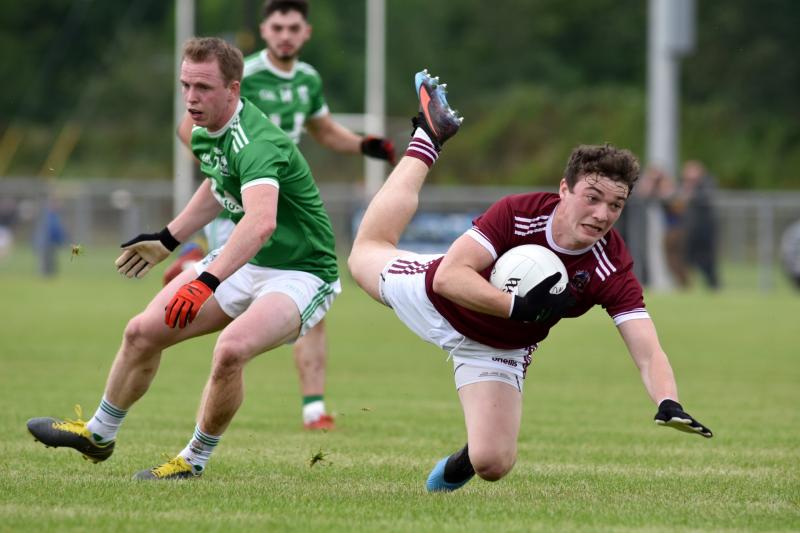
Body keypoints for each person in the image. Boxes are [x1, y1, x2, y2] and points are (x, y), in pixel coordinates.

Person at [347, 70, 713, 493]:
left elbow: (647, 350)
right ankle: (429, 137)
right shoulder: (520, 212)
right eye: (592, 198)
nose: (602, 213)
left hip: (499, 346)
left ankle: (460, 464)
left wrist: (668, 401)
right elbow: (449, 277)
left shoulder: (610, 263)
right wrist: (516, 307)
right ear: (564, 189)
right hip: (436, 298)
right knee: (364, 254)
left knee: (493, 463)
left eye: (616, 204)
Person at [26, 37, 341, 480]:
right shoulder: (206, 130)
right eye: (186, 85)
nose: (192, 98)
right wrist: (168, 239)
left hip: (301, 272)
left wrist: (206, 281)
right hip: (245, 260)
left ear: (233, 89)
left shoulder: (256, 142)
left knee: (230, 350)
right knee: (140, 332)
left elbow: (261, 221)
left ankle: (192, 461)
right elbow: (218, 187)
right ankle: (99, 435)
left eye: (204, 88)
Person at [166, 0, 396, 430]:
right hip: (244, 203)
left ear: (306, 33)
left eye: (293, 27)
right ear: (264, 30)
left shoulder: (308, 79)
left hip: (278, 196)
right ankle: (196, 264)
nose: (285, 34)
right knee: (238, 314)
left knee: (306, 306)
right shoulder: (241, 74)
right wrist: (224, 172)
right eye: (277, 27)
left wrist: (364, 145)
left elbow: (323, 131)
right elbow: (189, 129)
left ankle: (313, 408)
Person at [680, 160, 720, 290]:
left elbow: (706, 197)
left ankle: (714, 285)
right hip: (689, 230)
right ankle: (687, 285)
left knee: (707, 259)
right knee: (687, 259)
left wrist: (692, 192)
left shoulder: (707, 183)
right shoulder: (683, 184)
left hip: (705, 229)